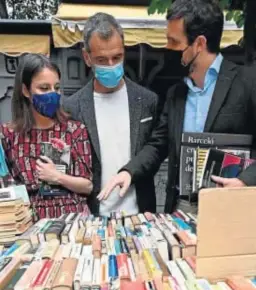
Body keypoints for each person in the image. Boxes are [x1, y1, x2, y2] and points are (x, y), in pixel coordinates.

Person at [99, 0, 256, 212]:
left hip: (232, 206)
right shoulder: (176, 93)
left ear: (199, 44)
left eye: (173, 42)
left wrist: (244, 182)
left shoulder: (247, 82)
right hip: (181, 208)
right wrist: (128, 172)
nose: (167, 49)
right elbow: (158, 144)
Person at [64, 12, 159, 216]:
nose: (110, 65)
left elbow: (155, 152)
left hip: (141, 216)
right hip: (93, 217)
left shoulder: (147, 101)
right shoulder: (72, 107)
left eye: (117, 57)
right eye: (101, 59)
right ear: (87, 57)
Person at [0, 54, 92, 221]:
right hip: (29, 221)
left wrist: (57, 177)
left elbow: (88, 185)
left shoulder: (74, 130)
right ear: (26, 90)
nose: (52, 94)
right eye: (44, 88)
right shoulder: (8, 135)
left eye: (56, 88)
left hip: (72, 219)